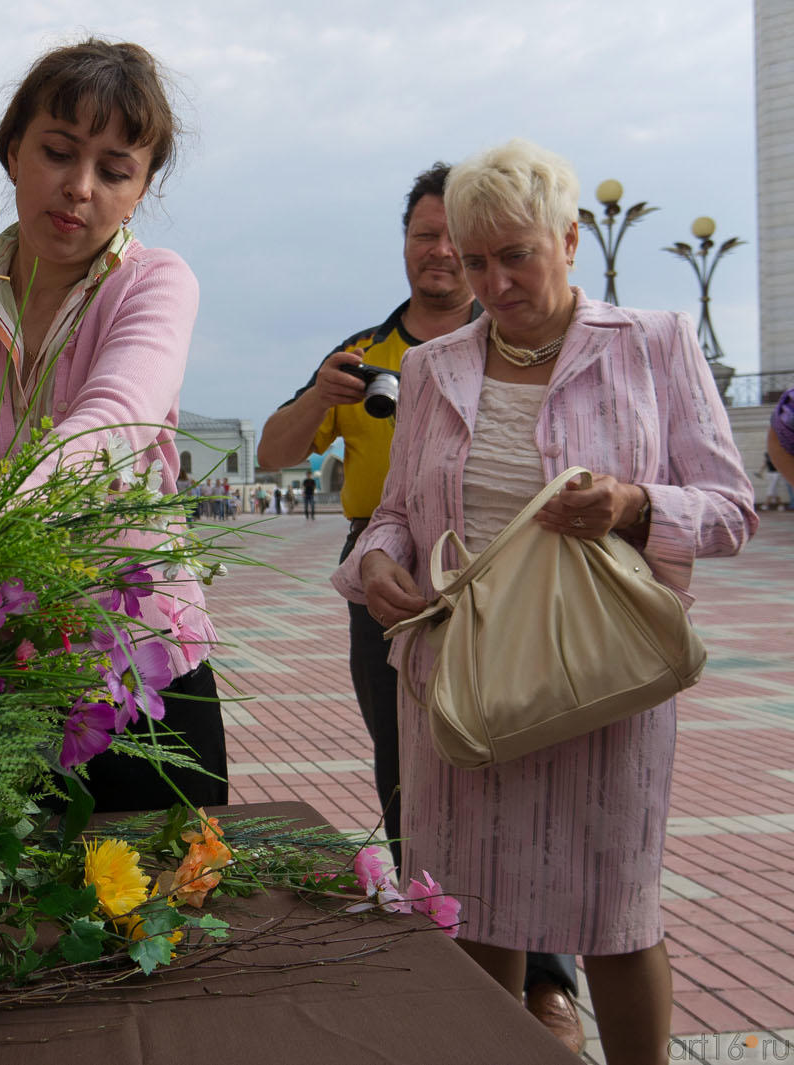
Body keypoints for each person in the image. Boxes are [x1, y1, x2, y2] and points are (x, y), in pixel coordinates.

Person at [332, 139, 756, 1064]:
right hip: (462, 678)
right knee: (472, 909)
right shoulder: (437, 368)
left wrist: (636, 505)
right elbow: (395, 515)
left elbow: (731, 508)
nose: (494, 280)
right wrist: (374, 567)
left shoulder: (655, 343)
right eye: (476, 259)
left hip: (600, 676)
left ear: (570, 240)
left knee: (617, 917)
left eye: (516, 253)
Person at [257, 161, 586, 1048]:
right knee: (406, 764)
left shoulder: (519, 334)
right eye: (424, 235)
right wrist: (320, 397)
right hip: (386, 571)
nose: (441, 253)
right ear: (404, 245)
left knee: (529, 773)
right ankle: (434, 938)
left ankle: (548, 980)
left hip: (511, 569)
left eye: (457, 238)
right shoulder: (367, 349)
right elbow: (269, 455)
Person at [0, 39, 225, 812]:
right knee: (2, 917)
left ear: (140, 191)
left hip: (143, 667)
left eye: (114, 170)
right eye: (58, 152)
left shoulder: (154, 283)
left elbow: (115, 420)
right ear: (13, 150)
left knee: (162, 908)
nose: (78, 188)